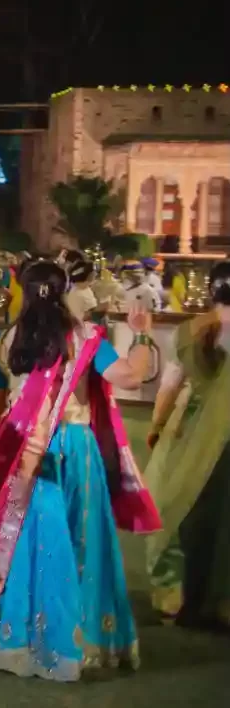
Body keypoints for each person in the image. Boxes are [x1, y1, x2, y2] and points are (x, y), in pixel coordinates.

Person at [0, 260, 160, 681]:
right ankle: (86, 638)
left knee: (32, 543)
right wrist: (142, 333)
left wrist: (6, 462)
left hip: (26, 452)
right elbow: (131, 377)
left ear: (21, 290)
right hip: (76, 449)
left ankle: (25, 637)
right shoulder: (85, 338)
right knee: (82, 540)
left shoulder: (4, 342)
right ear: (63, 292)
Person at [143, 261, 230, 627]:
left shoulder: (190, 331)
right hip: (222, 442)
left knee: (176, 512)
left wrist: (157, 427)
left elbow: (169, 386)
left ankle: (174, 599)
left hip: (187, 435)